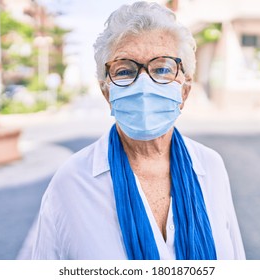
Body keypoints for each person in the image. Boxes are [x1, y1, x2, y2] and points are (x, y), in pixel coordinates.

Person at [31, 1, 245, 260]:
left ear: (184, 90)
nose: (144, 84)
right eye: (125, 70)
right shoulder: (72, 183)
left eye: (163, 69)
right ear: (106, 92)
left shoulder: (210, 167)